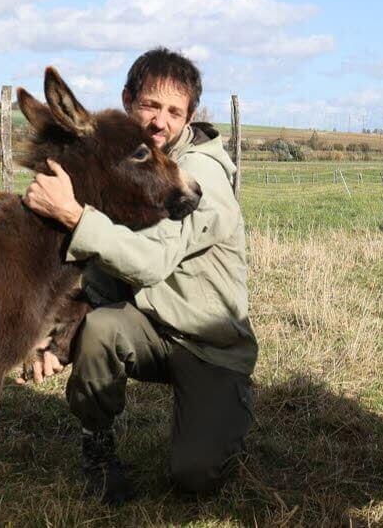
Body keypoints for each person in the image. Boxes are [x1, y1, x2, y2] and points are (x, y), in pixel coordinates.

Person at [20, 47, 255, 504]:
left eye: (174, 112)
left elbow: (150, 260)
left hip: (208, 344)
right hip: (147, 327)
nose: (159, 121)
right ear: (128, 100)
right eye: (150, 105)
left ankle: (227, 414)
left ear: (189, 117)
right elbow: (105, 273)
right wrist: (54, 334)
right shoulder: (130, 167)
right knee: (100, 329)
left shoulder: (199, 173)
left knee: (196, 475)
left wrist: (73, 215)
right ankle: (97, 445)